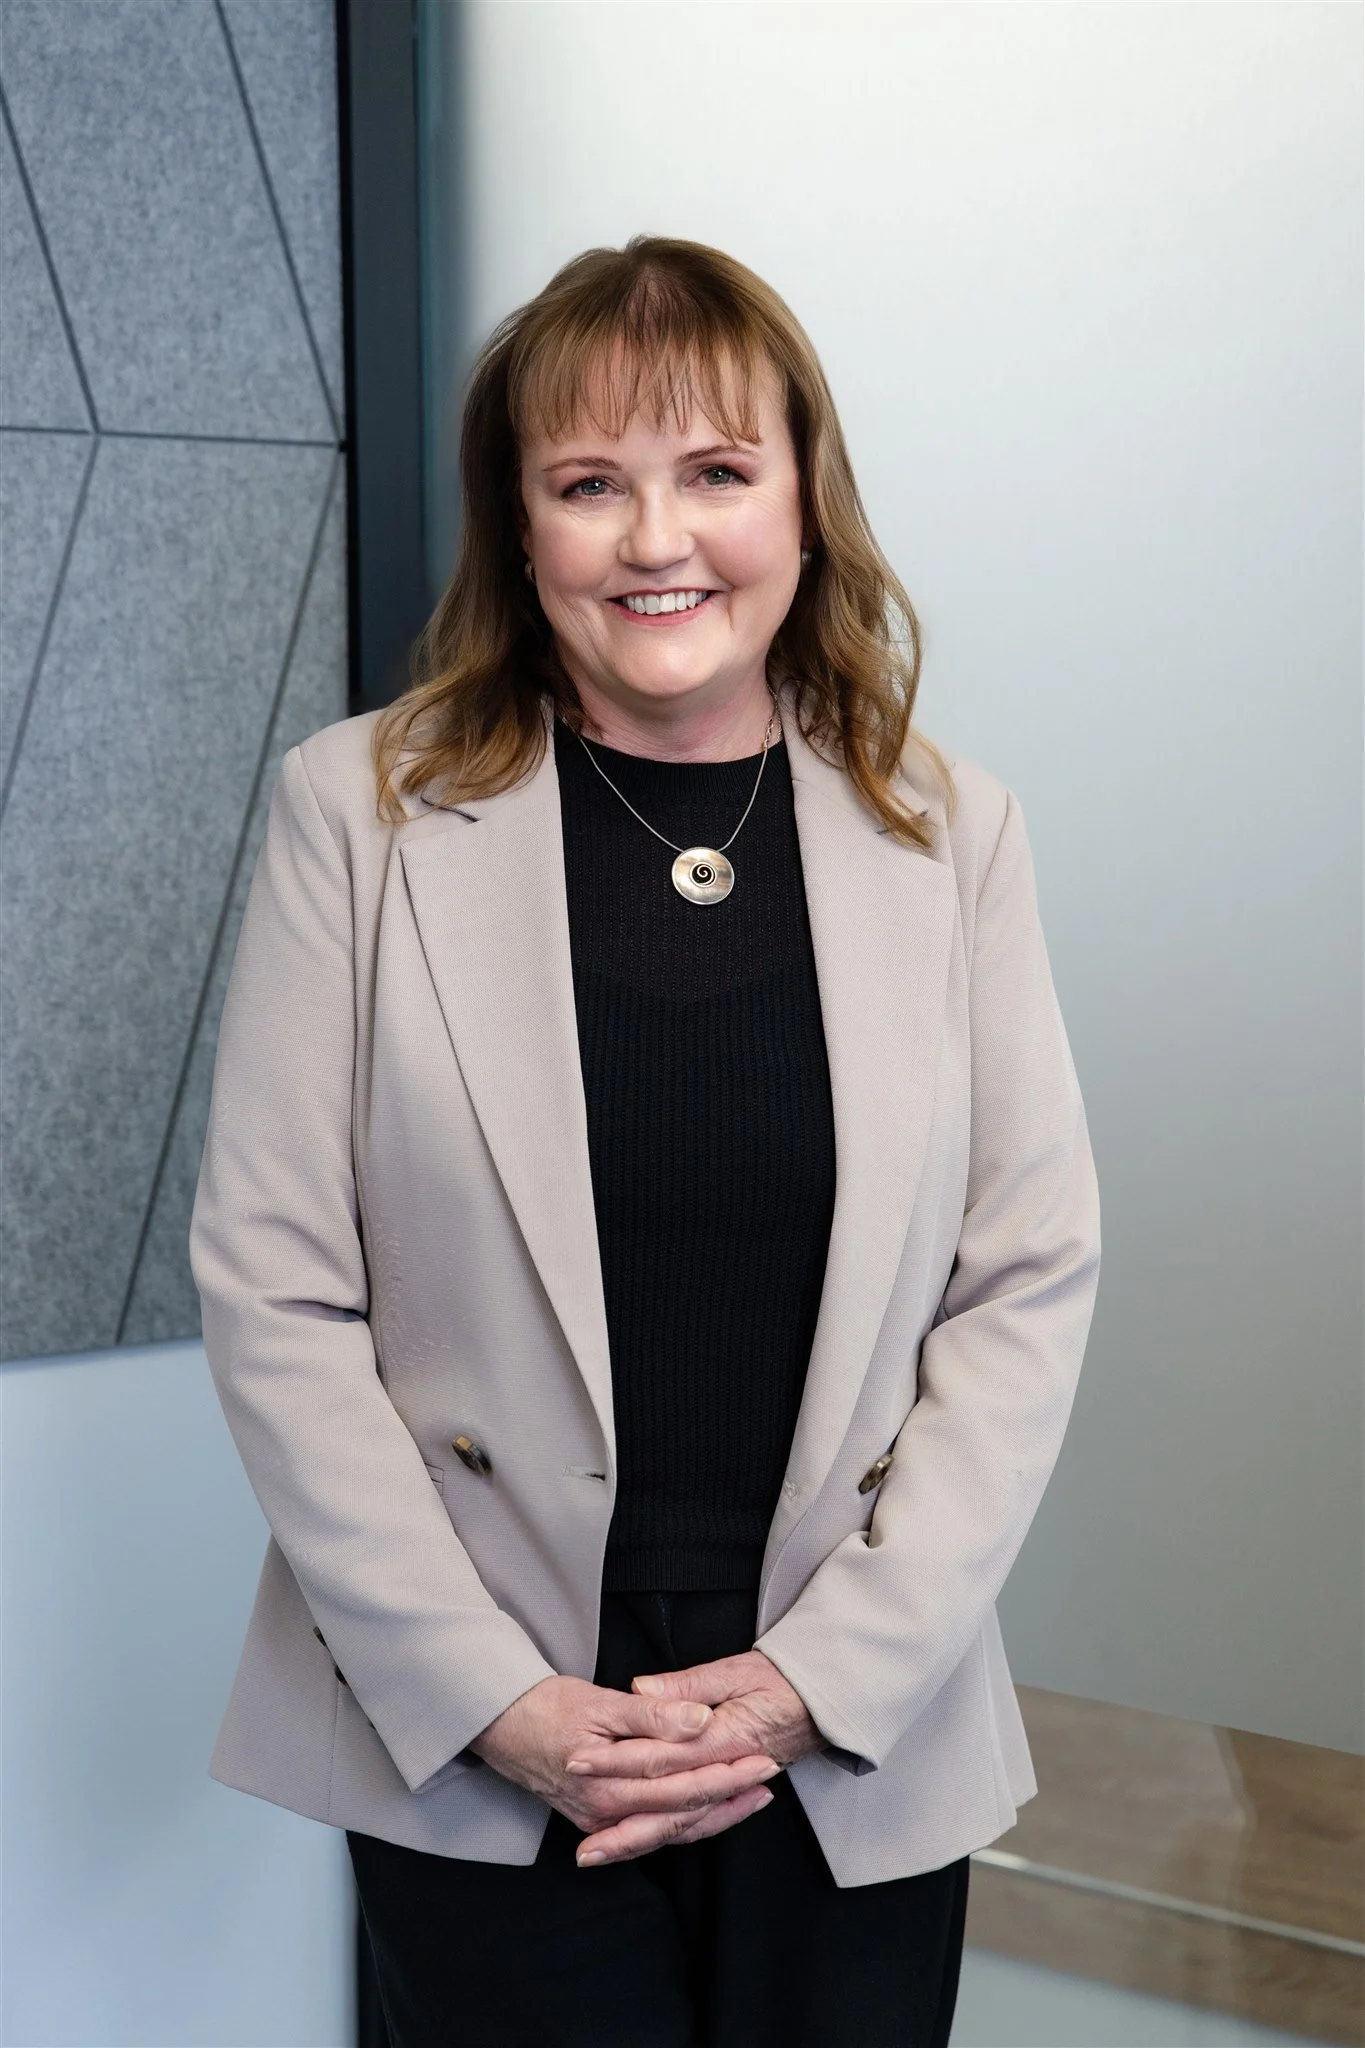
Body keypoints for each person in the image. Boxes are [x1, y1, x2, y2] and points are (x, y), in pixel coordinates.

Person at [191, 236, 1101, 2048]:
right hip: (480, 1708)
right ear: (521, 531)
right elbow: (275, 1291)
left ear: (804, 505)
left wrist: (810, 1684)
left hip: (850, 1711)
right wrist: (496, 1700)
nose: (655, 538)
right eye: (590, 483)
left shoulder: (951, 829)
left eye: (714, 473)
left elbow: (1026, 1280)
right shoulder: (359, 813)